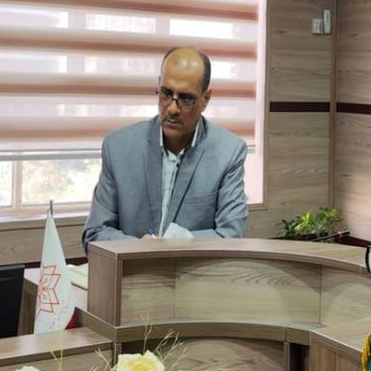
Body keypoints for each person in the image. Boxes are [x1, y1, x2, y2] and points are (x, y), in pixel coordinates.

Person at [82, 46, 248, 252]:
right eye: (166, 93)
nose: (172, 108)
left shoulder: (229, 152)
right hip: (131, 270)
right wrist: (139, 249)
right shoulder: (118, 148)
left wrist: (173, 245)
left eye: (186, 98)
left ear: (206, 99)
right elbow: (95, 234)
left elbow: (231, 236)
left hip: (193, 271)